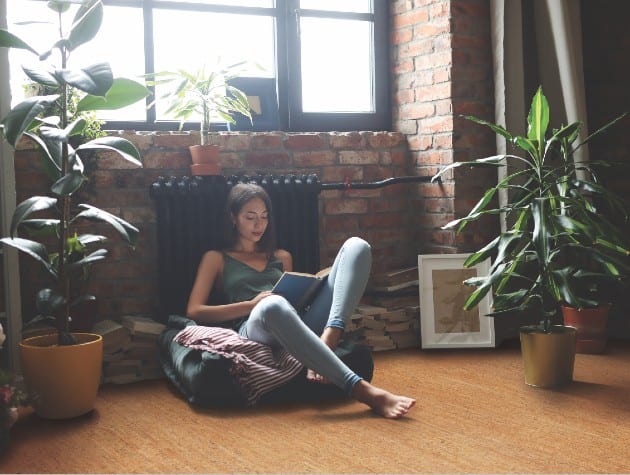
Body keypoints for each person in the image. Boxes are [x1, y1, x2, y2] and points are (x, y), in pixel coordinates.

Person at [187, 183, 416, 418]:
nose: (259, 224)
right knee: (273, 305)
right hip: (255, 326)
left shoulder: (281, 256)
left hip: (294, 319)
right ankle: (363, 390)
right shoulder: (216, 258)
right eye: (250, 217)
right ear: (233, 218)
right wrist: (251, 305)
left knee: (357, 247)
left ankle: (331, 335)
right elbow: (194, 310)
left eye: (264, 217)